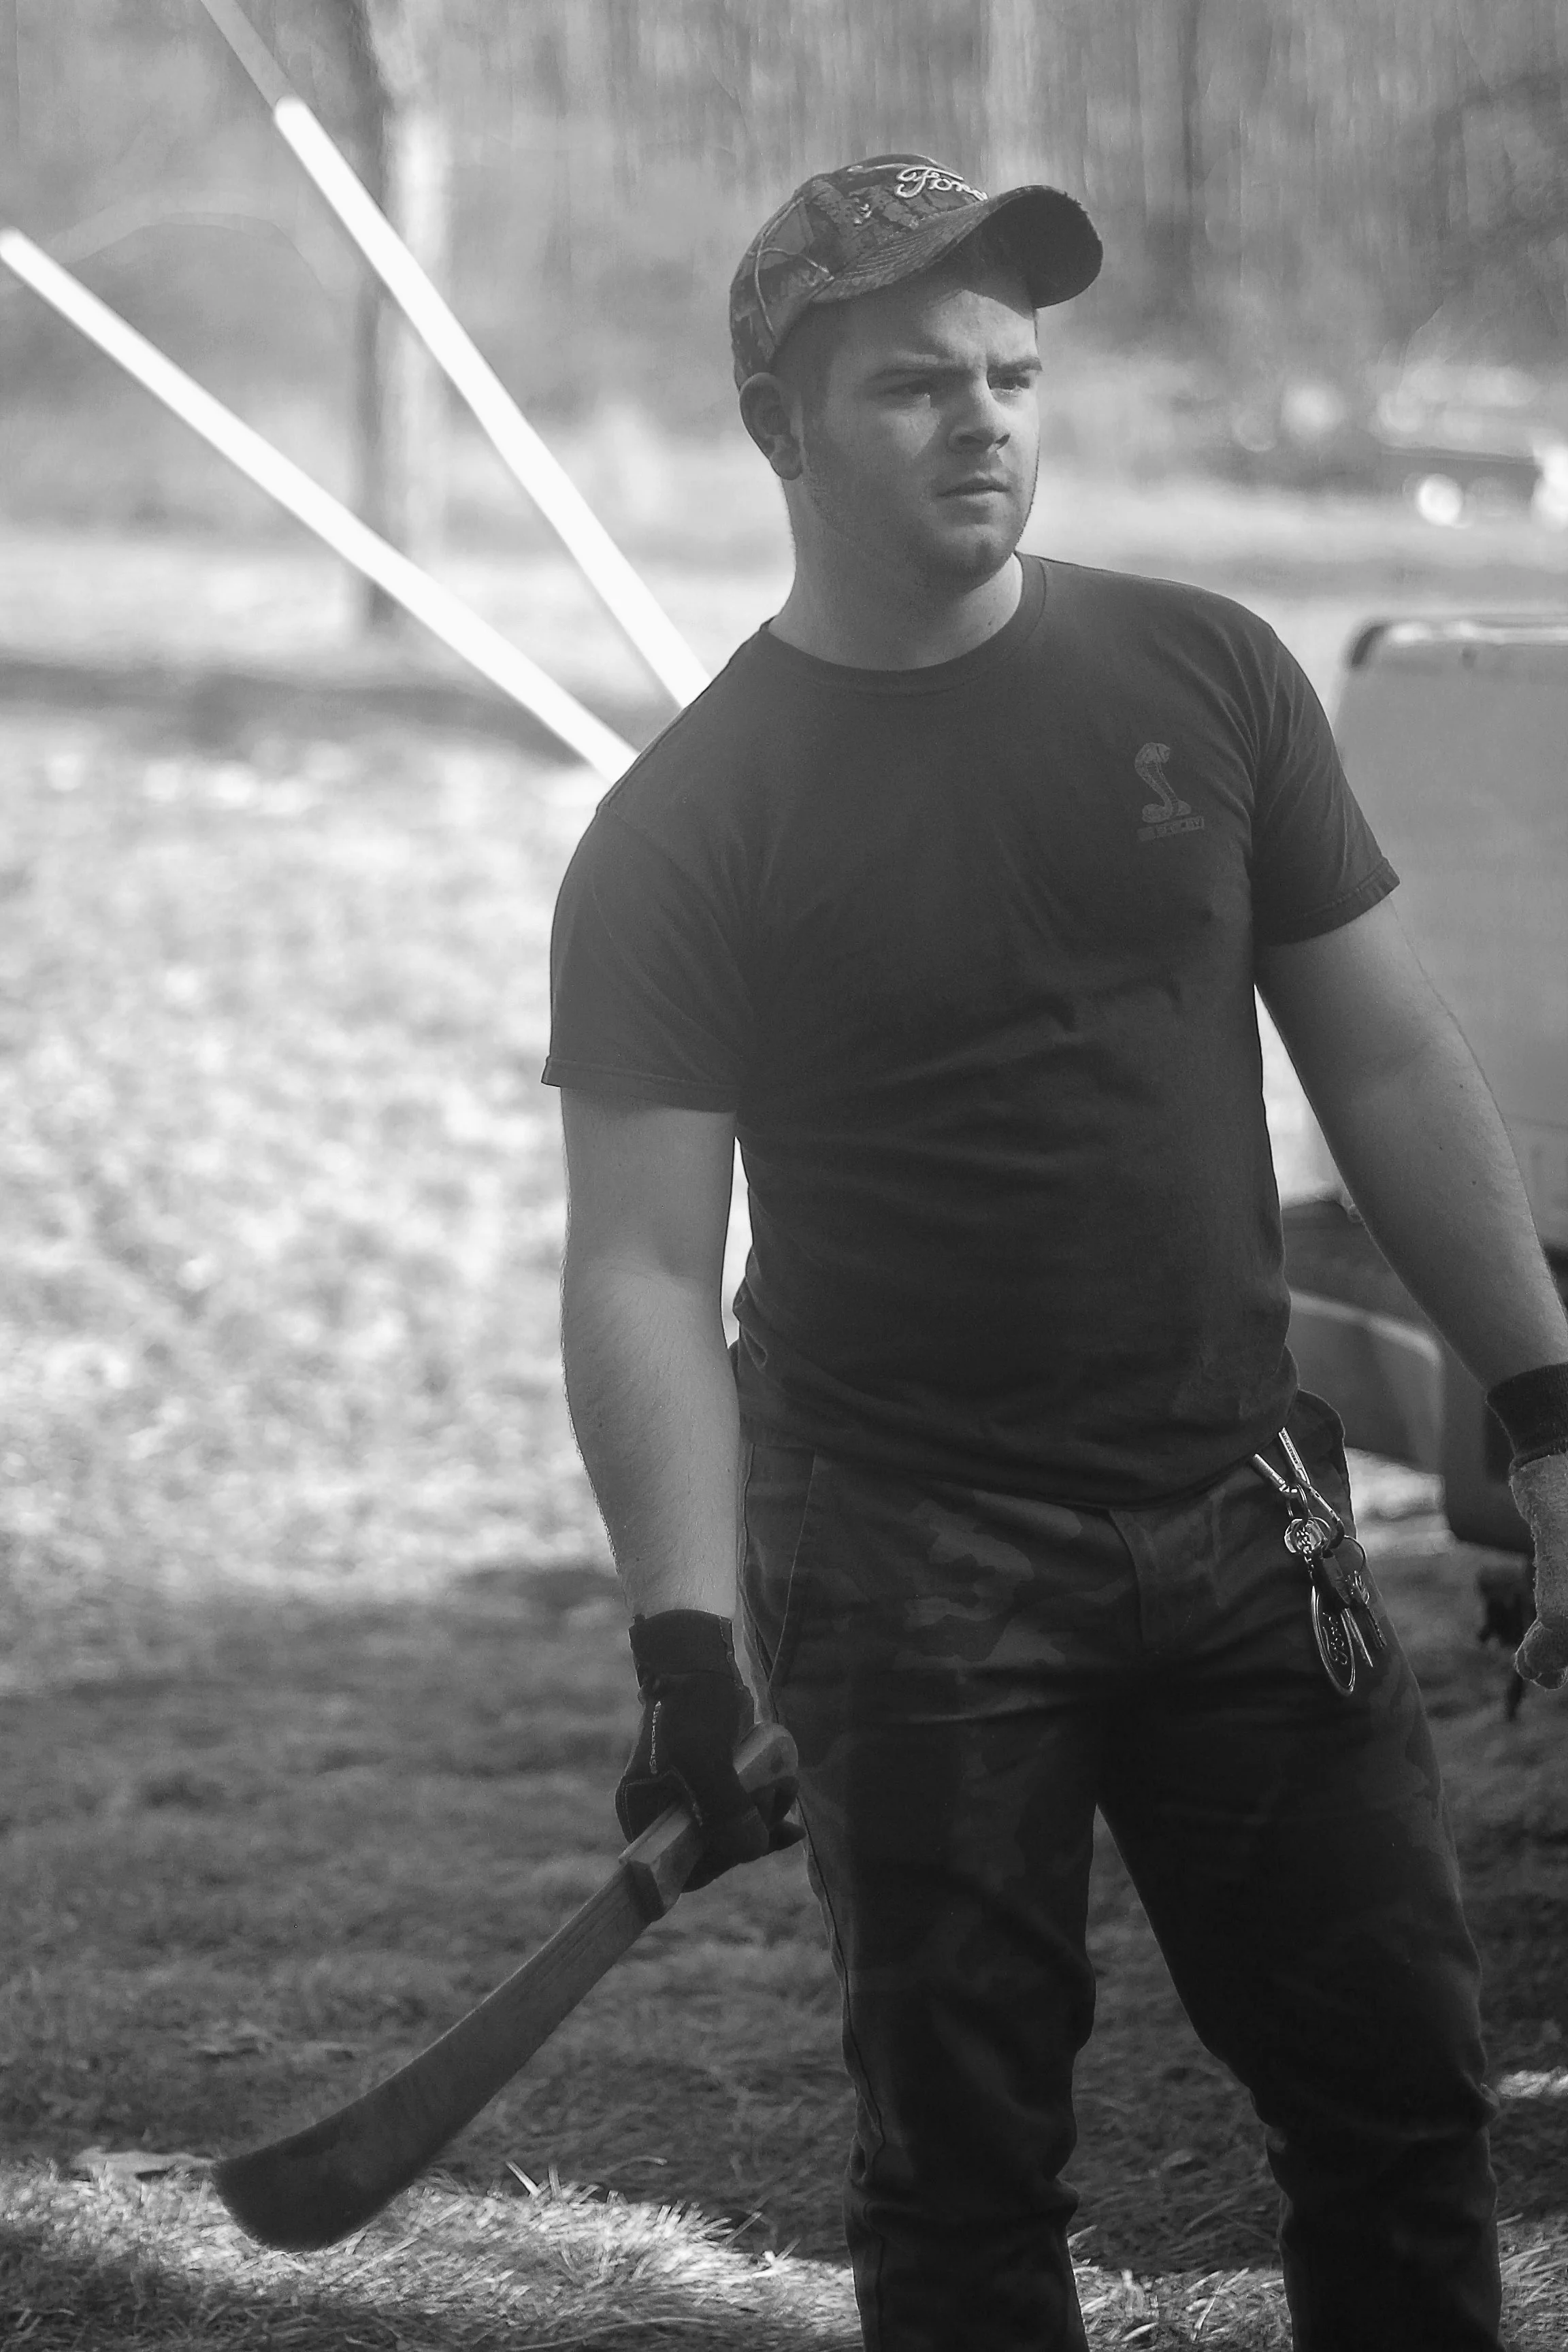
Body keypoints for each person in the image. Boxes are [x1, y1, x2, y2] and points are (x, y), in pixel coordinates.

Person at [542, 152, 1568, 2352]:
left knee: (1402, 2107)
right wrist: (689, 1651)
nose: (986, 420)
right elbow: (639, 1264)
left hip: (1246, 1511)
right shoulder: (687, 829)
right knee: (967, 2174)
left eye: (1014, 376)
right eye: (916, 384)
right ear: (781, 427)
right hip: (905, 1560)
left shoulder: (1209, 673)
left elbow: (1388, 1060)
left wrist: (1549, 1405)